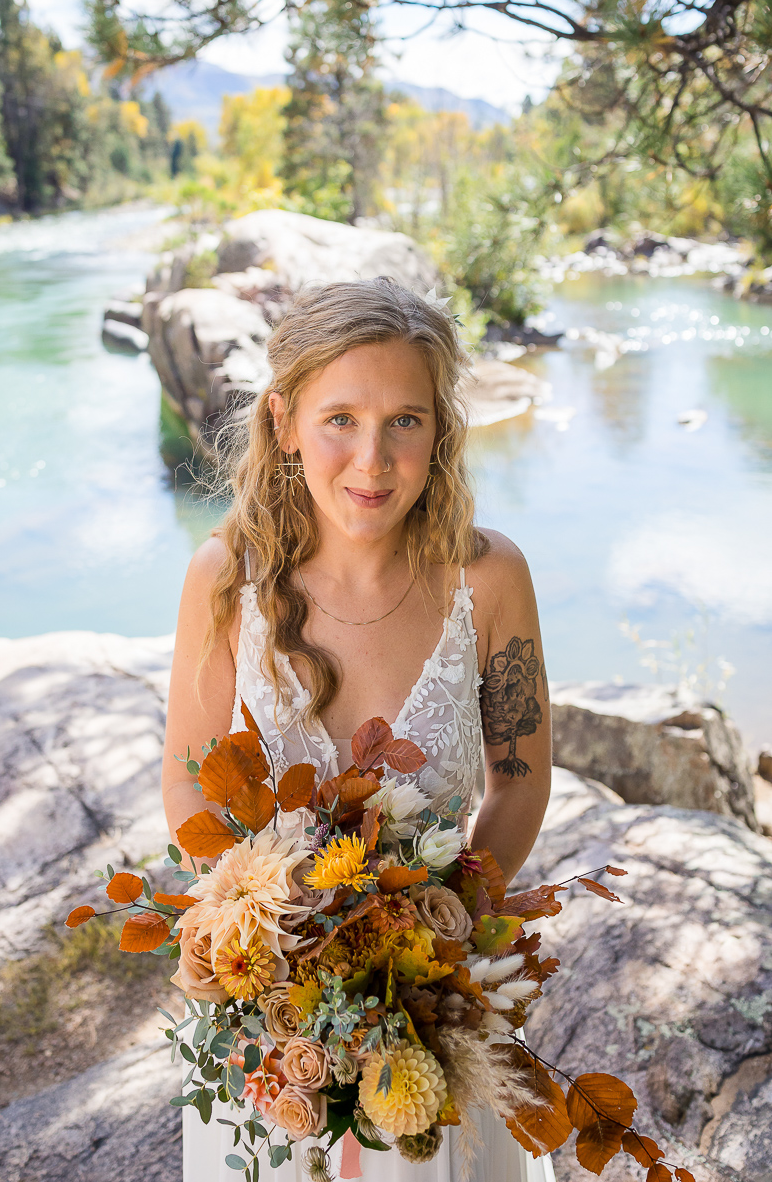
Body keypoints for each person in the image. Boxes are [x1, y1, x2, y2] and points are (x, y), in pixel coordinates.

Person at [163, 277, 554, 1182]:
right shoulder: (226, 578)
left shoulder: (488, 577)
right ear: (283, 419)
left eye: (404, 422)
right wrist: (262, 931)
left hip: (435, 1001)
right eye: (340, 418)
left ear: (440, 430)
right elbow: (186, 778)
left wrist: (444, 943)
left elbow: (521, 778)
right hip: (274, 1006)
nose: (371, 461)